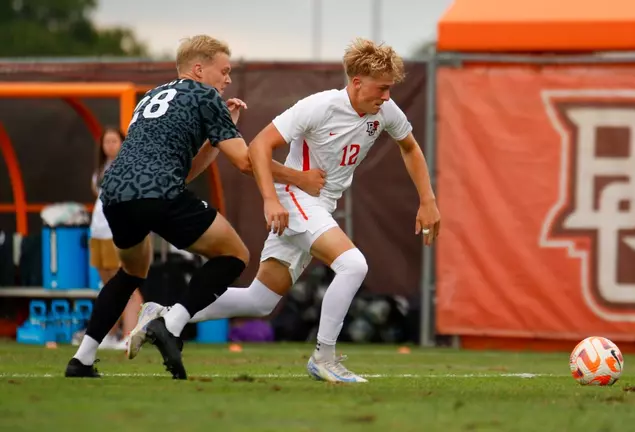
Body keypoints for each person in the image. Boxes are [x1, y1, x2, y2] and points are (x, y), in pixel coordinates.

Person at [128, 37, 441, 383]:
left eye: (390, 90)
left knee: (260, 300)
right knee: (353, 265)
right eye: (382, 89)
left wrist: (428, 201)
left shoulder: (386, 111)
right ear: (356, 82)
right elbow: (260, 146)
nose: (386, 97)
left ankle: (165, 312)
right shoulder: (320, 106)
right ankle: (324, 357)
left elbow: (410, 147)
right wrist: (271, 199)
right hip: (296, 199)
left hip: (319, 204)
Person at [65, 34, 324, 380]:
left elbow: (183, 170)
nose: (228, 79)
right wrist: (299, 178)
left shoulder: (151, 97)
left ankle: (81, 359)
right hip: (158, 191)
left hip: (114, 192)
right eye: (224, 71)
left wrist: (219, 132)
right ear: (199, 69)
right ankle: (169, 323)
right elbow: (246, 163)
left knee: (131, 274)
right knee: (234, 255)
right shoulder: (205, 95)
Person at [84, 127, 141, 350]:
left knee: (127, 284)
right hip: (97, 231)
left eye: (114, 141)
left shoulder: (128, 167)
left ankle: (131, 335)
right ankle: (109, 334)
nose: (109, 145)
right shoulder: (100, 171)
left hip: (116, 232)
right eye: (106, 141)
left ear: (122, 143)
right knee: (109, 286)